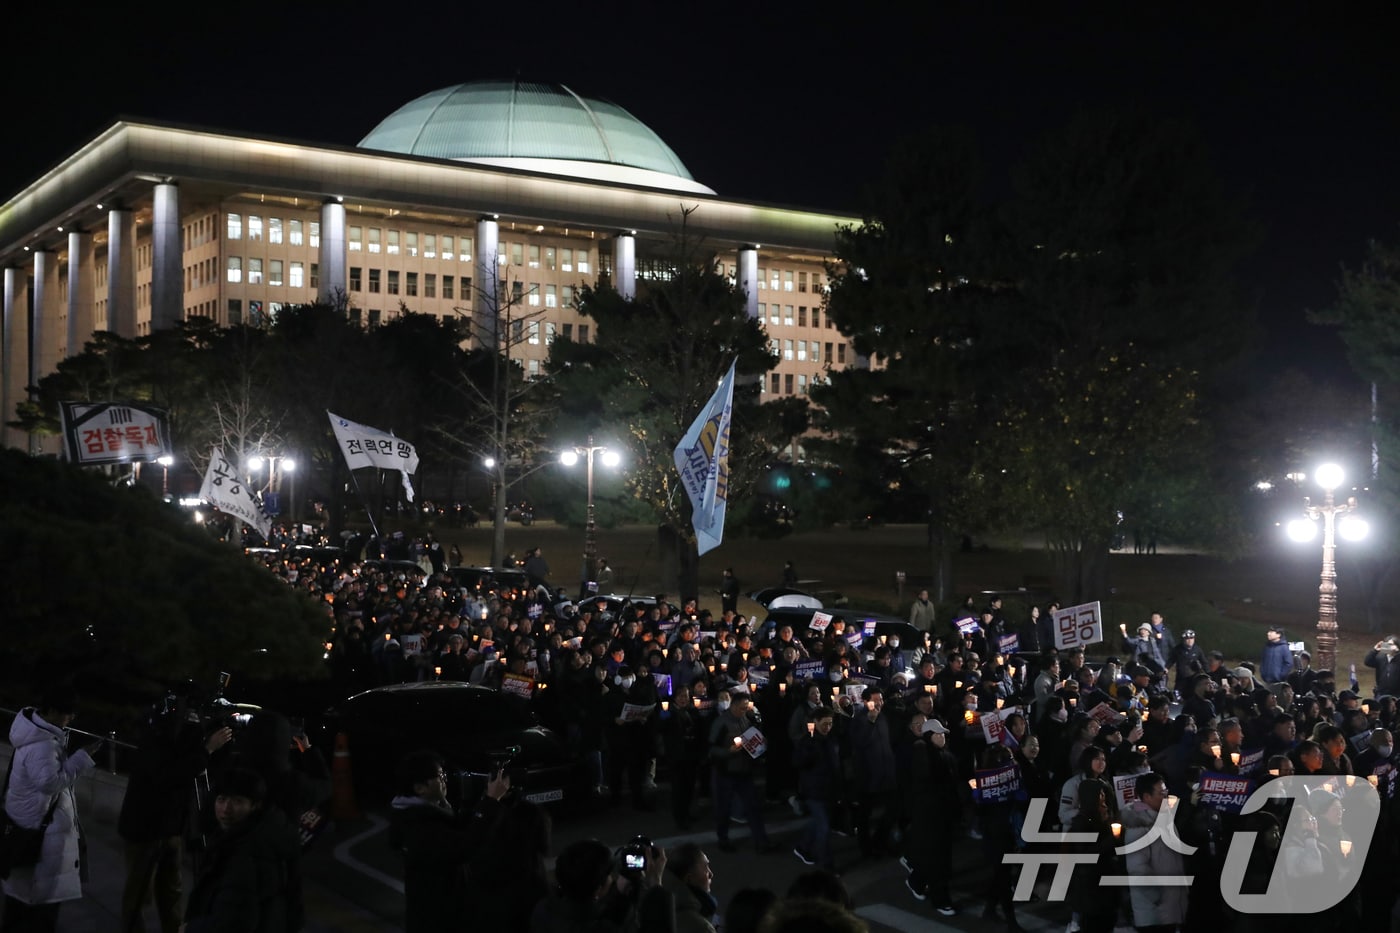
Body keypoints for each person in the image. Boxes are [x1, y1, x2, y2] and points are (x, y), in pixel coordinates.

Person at [119, 693, 235, 933]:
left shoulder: (180, 742)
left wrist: (212, 747)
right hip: (146, 830)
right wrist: (207, 749)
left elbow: (201, 765)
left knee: (172, 893)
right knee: (140, 896)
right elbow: (169, 776)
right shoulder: (155, 740)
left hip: (171, 828)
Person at [1, 685, 99, 933]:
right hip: (39, 837)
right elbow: (50, 783)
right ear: (53, 710)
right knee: (38, 912)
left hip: (28, 830)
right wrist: (81, 758)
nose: (72, 718)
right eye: (69, 713)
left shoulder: (36, 732)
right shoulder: (42, 745)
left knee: (18, 905)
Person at [389, 750, 509, 933]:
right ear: (420, 788)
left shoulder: (422, 811)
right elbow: (464, 846)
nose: (445, 779)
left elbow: (460, 827)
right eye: (439, 775)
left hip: (443, 911)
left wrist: (486, 799)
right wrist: (492, 802)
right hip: (439, 919)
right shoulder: (417, 825)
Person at [182, 768, 303, 933]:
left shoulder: (246, 852)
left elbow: (234, 921)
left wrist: (191, 929)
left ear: (255, 805)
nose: (226, 809)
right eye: (221, 799)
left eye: (237, 801)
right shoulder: (269, 832)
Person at [529, 837, 673, 932]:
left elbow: (590, 916)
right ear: (598, 889)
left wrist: (620, 897)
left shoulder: (542, 910)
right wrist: (656, 884)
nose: (612, 878)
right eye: (609, 875)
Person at [1120, 772, 1187, 933]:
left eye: (1166, 791)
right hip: (1154, 912)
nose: (1166, 796)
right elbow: (1138, 868)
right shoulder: (1139, 826)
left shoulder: (1162, 818)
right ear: (1147, 797)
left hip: (1168, 906)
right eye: (1161, 793)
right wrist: (1159, 897)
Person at [709, 694, 772, 853]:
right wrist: (728, 751)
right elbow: (711, 750)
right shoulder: (721, 723)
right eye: (743, 707)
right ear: (733, 706)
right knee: (724, 809)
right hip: (726, 773)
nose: (745, 710)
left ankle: (761, 841)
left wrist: (759, 744)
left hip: (744, 771)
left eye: (747, 707)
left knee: (753, 807)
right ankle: (723, 840)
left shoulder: (745, 719)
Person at [662, 843, 717, 933]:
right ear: (689, 878)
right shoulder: (701, 928)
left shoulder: (656, 904)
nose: (711, 874)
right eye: (705, 867)